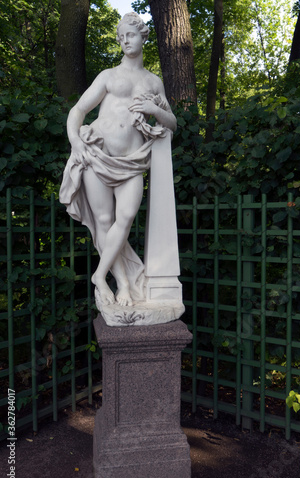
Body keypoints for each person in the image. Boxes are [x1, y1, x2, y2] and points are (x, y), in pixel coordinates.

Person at [59, 12, 177, 308]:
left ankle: (99, 275)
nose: (126, 40)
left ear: (143, 37)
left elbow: (172, 123)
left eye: (131, 35)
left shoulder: (153, 81)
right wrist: (75, 141)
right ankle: (122, 283)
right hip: (98, 154)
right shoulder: (109, 76)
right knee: (103, 220)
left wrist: (154, 107)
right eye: (121, 36)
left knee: (124, 218)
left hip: (132, 161)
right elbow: (78, 110)